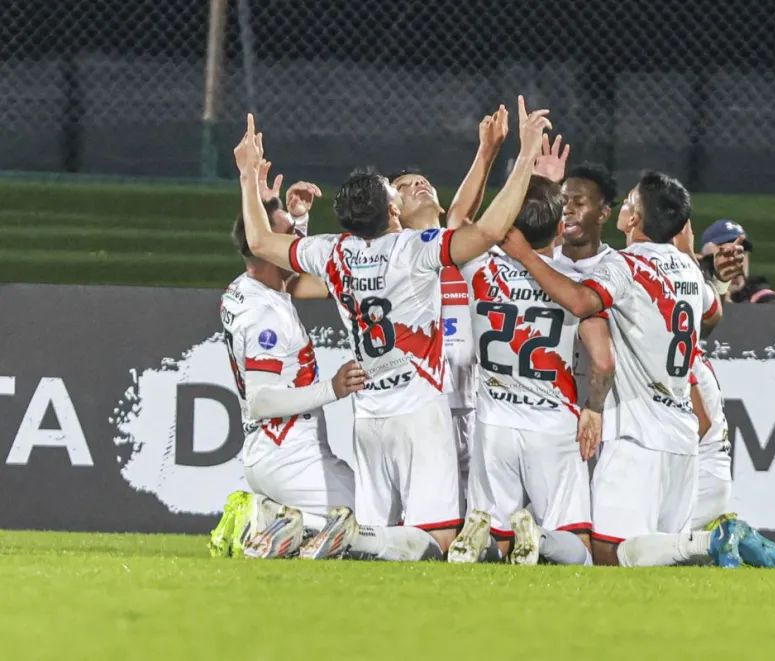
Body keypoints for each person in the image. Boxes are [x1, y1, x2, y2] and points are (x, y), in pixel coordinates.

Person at [232, 98, 551, 560]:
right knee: (439, 540)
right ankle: (355, 535)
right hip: (423, 409)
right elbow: (482, 230)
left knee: (388, 542)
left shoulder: (334, 251)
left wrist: (246, 176)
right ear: (391, 210)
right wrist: (523, 159)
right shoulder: (416, 250)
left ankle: (350, 536)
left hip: (373, 414)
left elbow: (261, 243)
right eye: (396, 189)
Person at [499, 170, 745, 567]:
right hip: (681, 438)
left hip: (636, 433)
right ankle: (701, 545)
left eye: (631, 201)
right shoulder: (687, 270)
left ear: (632, 220)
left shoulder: (626, 266)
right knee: (656, 558)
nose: (626, 206)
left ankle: (708, 544)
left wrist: (526, 256)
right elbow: (712, 313)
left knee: (609, 554)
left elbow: (581, 302)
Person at [446, 175, 614, 566]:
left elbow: (456, 219)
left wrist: (489, 154)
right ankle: (538, 537)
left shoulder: (478, 267)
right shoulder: (578, 283)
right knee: (577, 547)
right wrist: (593, 407)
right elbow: (604, 361)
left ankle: (480, 541)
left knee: (496, 537)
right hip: (553, 429)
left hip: (493, 426)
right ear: (560, 228)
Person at [209, 171, 366, 560]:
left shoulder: (247, 287)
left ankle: (279, 519)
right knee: (374, 522)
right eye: (285, 238)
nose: (295, 243)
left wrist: (289, 216)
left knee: (363, 515)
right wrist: (333, 388)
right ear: (265, 249)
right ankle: (258, 521)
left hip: (272, 451)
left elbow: (286, 268)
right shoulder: (267, 318)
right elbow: (261, 400)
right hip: (290, 455)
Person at [387, 105, 510, 504]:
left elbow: (459, 217)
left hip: (475, 404)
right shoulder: (392, 256)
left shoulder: (456, 250)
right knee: (427, 511)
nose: (418, 185)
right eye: (404, 187)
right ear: (392, 212)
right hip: (423, 406)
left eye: (423, 181)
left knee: (479, 514)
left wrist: (487, 152)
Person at [688, 350, 775, 568]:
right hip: (710, 475)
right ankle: (738, 538)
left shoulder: (677, 359)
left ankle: (721, 536)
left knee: (629, 550)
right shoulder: (691, 355)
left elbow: (700, 425)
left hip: (697, 479)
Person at [699, 219, 775, 304]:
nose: (736, 261)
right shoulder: (694, 294)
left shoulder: (758, 294)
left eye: (741, 253)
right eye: (727, 253)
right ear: (706, 261)